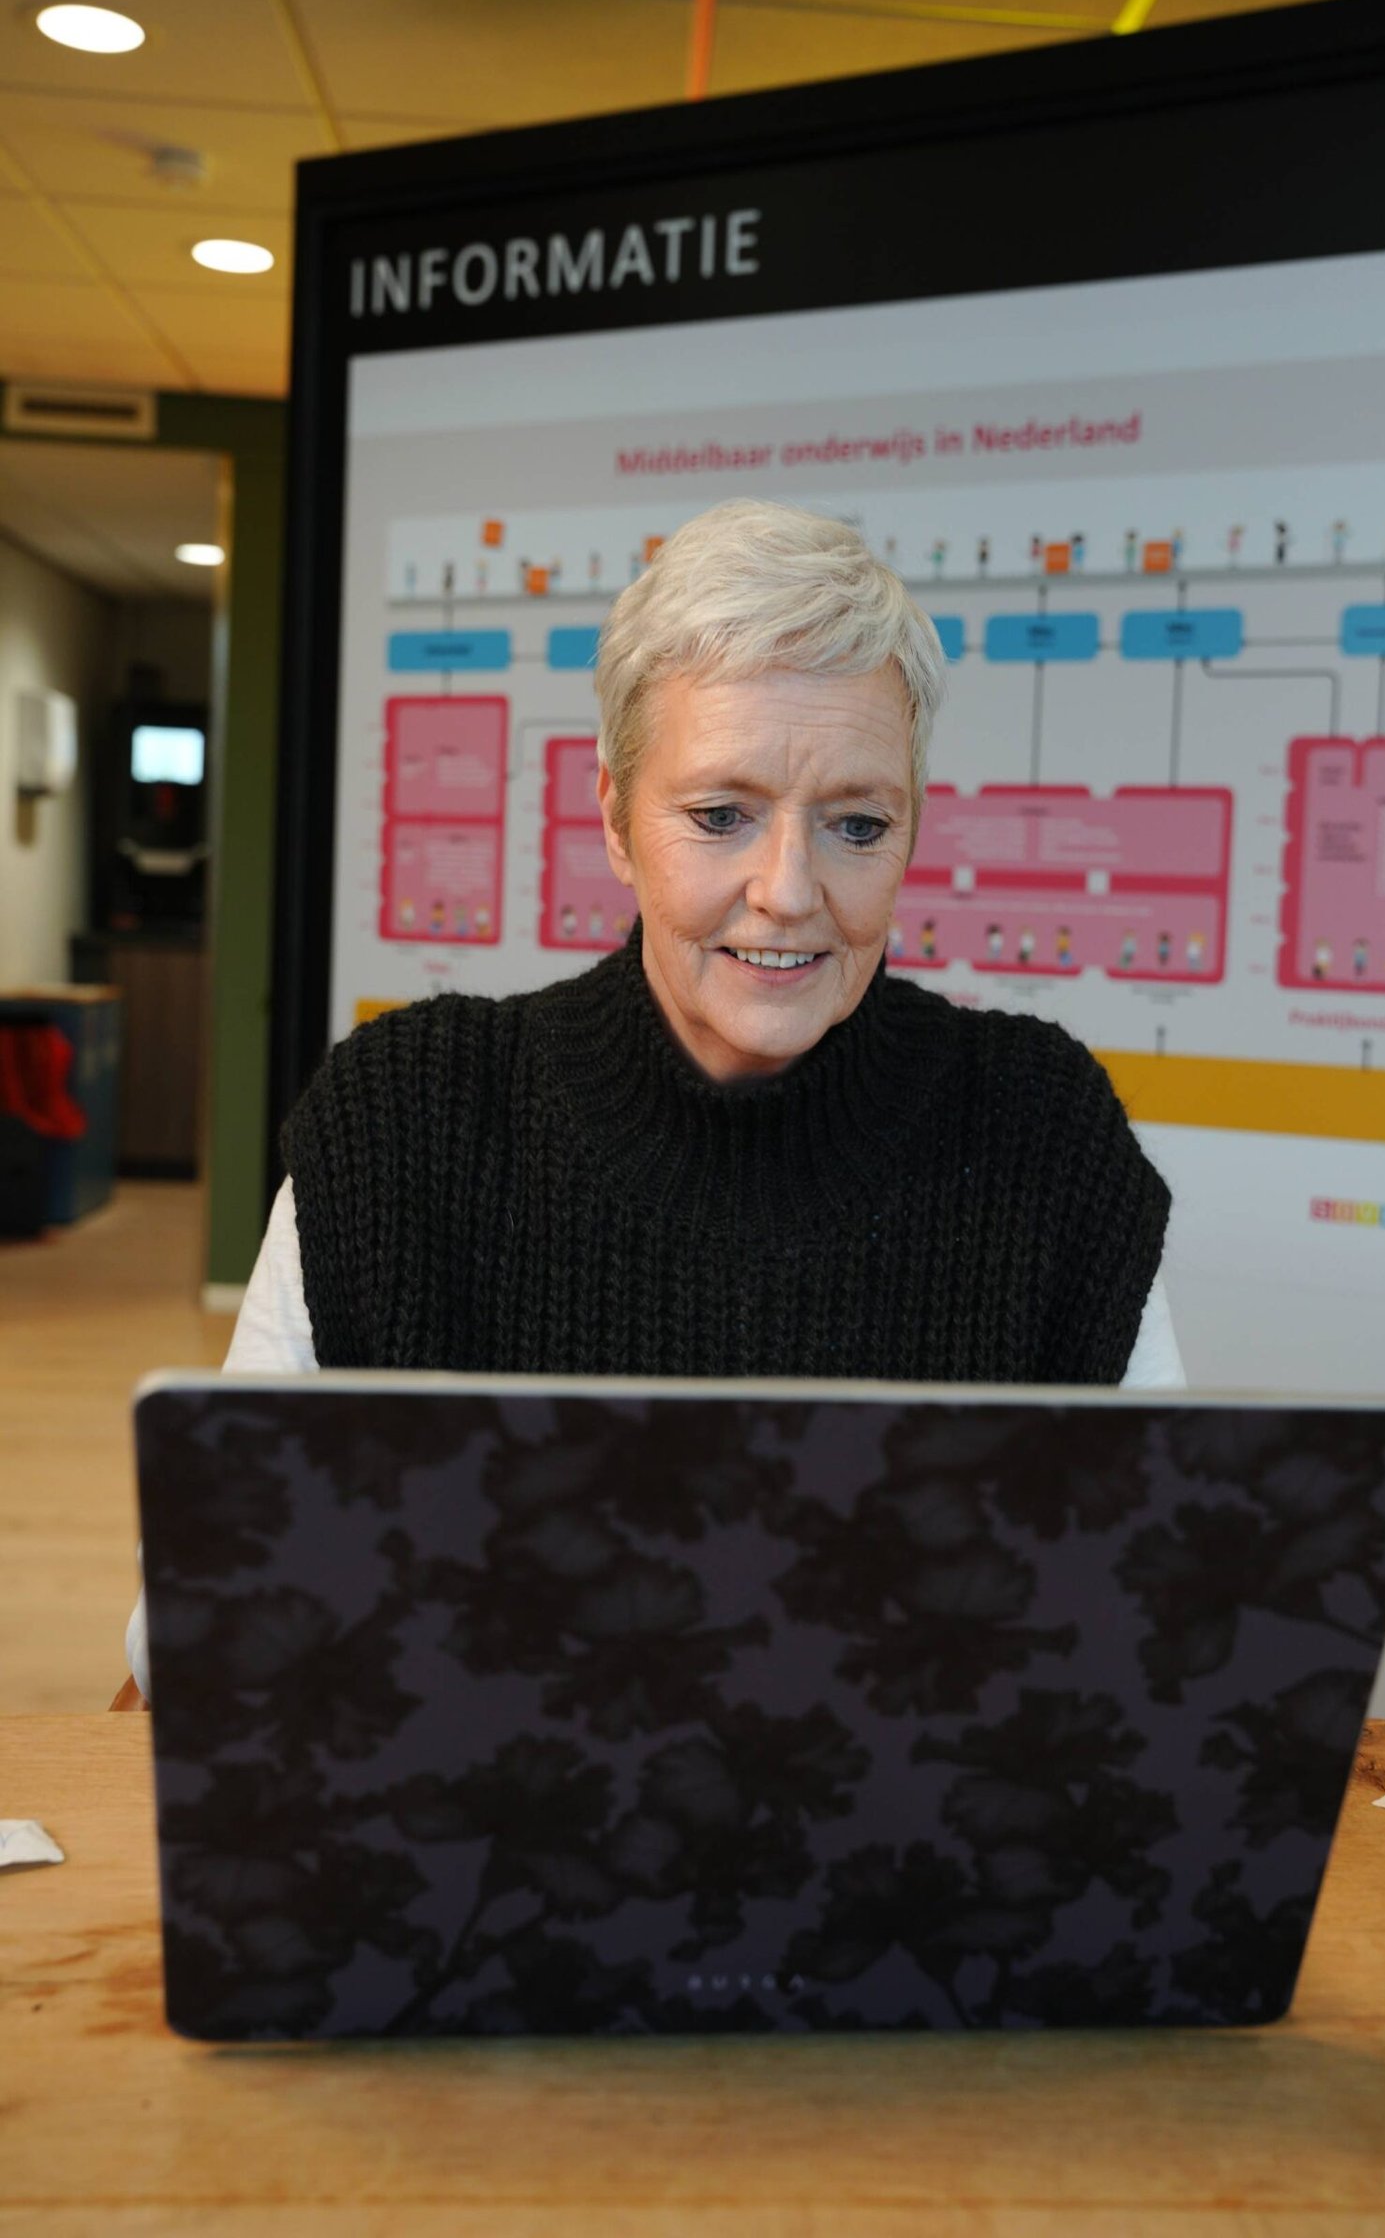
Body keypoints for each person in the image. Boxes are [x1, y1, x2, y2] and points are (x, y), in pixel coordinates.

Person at [123, 500, 1181, 1700]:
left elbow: (1163, 1603)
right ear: (617, 820)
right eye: (720, 816)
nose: (788, 891)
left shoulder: (1040, 1131)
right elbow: (201, 1610)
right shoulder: (406, 1120)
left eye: (856, 824)